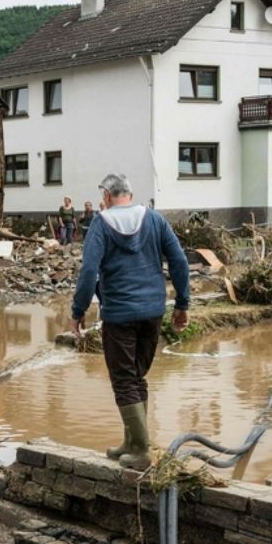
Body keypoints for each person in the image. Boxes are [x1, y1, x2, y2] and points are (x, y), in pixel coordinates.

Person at [71, 174, 190, 469]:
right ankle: (133, 441)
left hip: (119, 313)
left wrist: (78, 310)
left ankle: (140, 450)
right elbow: (179, 261)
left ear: (106, 196)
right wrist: (182, 304)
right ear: (130, 194)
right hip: (153, 311)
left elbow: (89, 271)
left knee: (124, 380)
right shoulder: (155, 219)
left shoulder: (101, 224)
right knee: (137, 377)